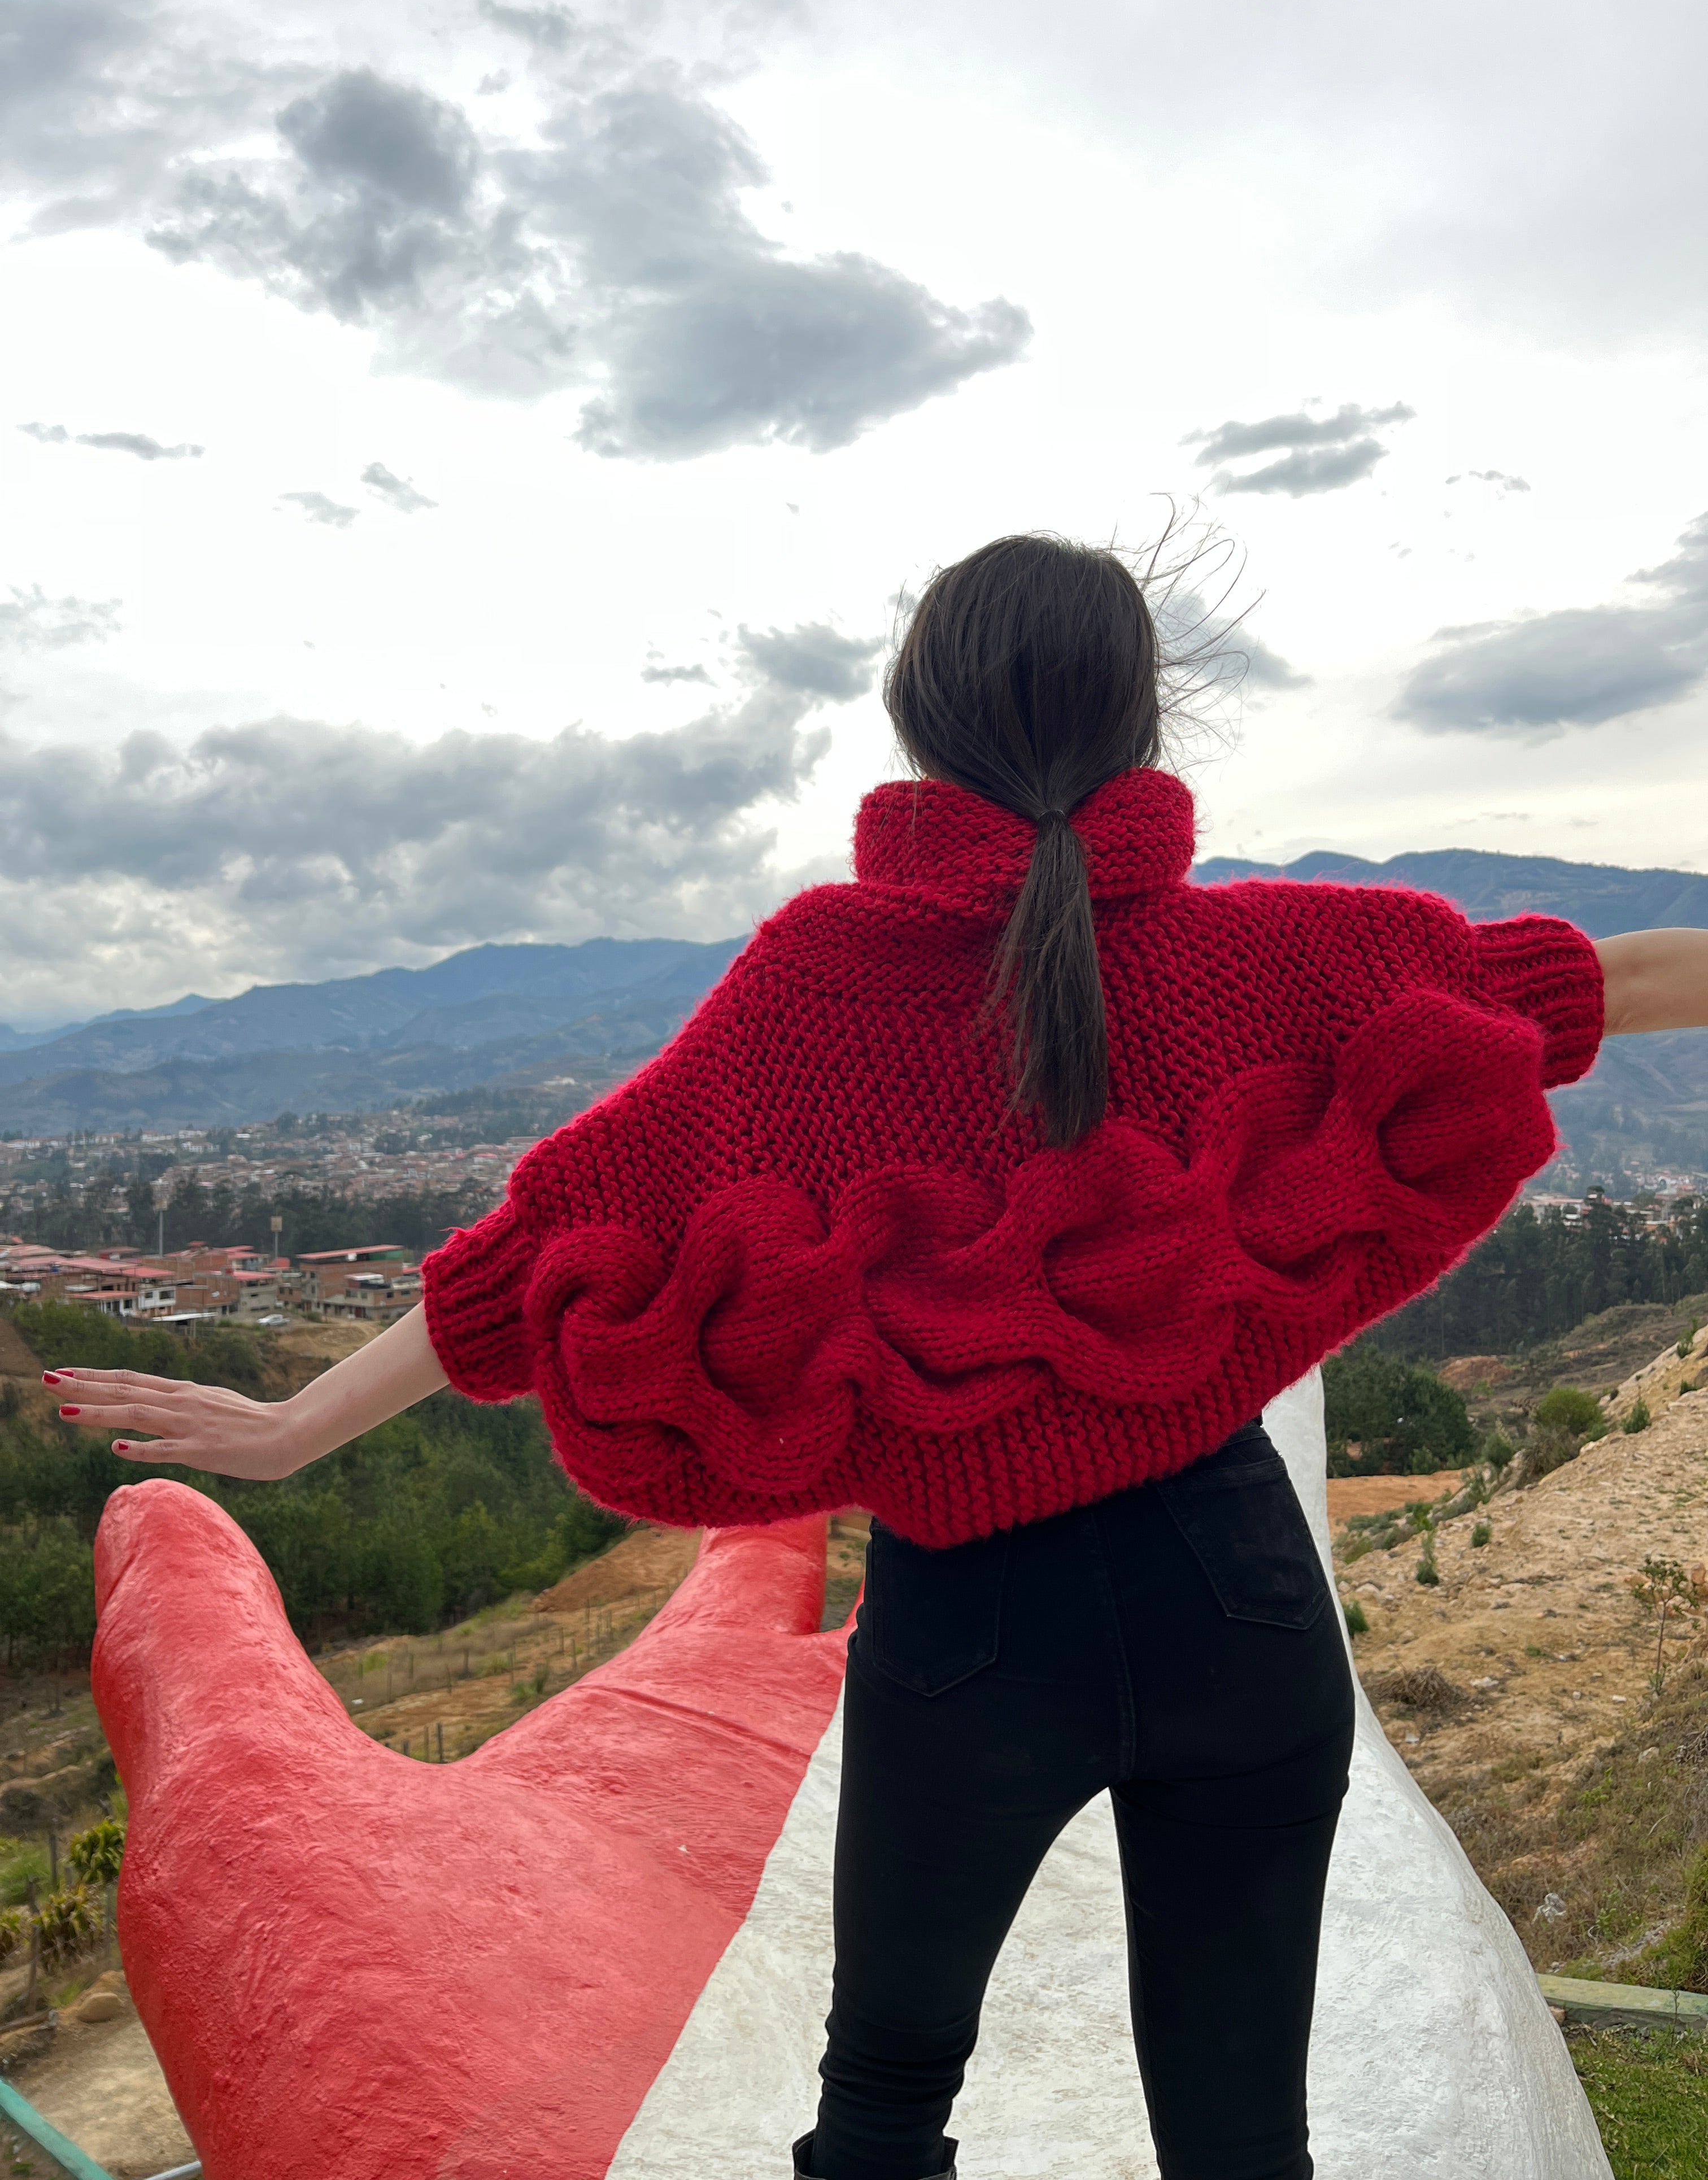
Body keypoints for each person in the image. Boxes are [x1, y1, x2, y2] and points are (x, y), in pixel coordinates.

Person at [53, 534, 1708, 2180]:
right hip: (1246, 1616)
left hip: (971, 1643)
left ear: (920, 727)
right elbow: (1604, 980)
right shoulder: (1278, 958)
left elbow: (540, 1266)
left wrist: (290, 1431)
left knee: (882, 2110)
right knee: (1243, 2141)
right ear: (1148, 726)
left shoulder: (811, 998)